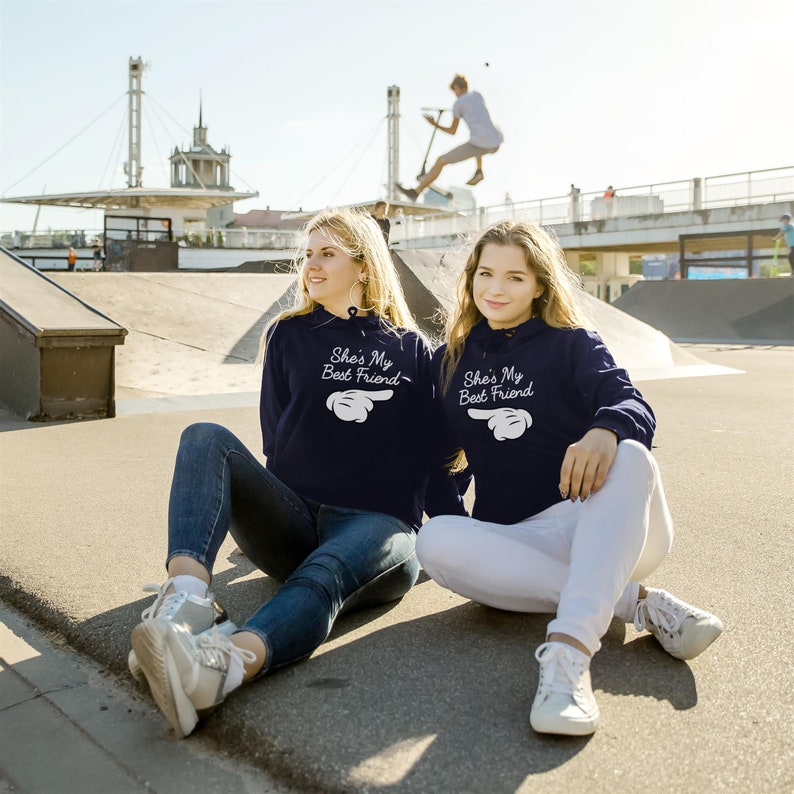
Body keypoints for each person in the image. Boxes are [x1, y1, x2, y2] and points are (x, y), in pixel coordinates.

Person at [129, 208, 464, 738]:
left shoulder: (412, 351)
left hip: (378, 527)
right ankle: (185, 606)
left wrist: (457, 533)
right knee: (204, 436)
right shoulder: (287, 335)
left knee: (325, 573)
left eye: (327, 253)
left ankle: (216, 670)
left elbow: (434, 454)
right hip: (295, 519)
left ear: (363, 265)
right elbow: (273, 437)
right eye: (308, 254)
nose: (311, 264)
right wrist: (268, 507)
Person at [416, 220, 723, 737]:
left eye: (515, 277)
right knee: (435, 537)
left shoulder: (572, 343)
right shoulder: (450, 361)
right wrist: (470, 541)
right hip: (521, 541)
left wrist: (606, 429)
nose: (496, 288)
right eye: (485, 273)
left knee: (630, 455)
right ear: (470, 279)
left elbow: (629, 402)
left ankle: (569, 654)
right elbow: (434, 460)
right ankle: (638, 603)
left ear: (539, 285)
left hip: (602, 524)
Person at [397, 74, 503, 202]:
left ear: (457, 87)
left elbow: (453, 131)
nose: (455, 94)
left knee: (441, 160)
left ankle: (416, 192)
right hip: (496, 140)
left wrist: (434, 124)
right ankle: (479, 170)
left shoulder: (458, 104)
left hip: (480, 143)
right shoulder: (477, 95)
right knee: (475, 139)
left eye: (454, 91)